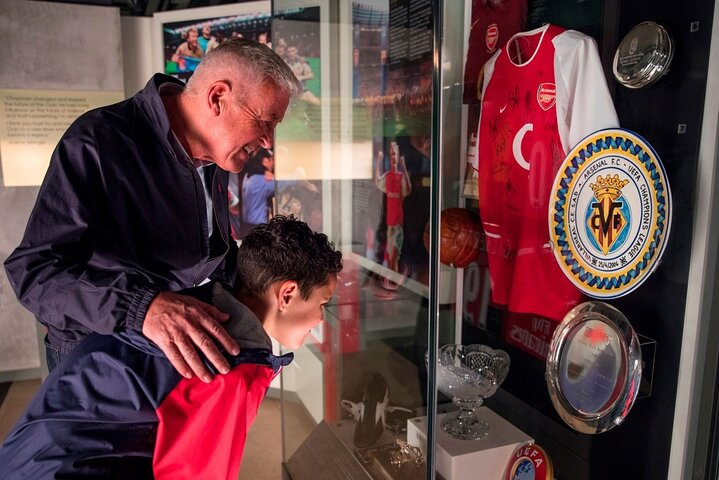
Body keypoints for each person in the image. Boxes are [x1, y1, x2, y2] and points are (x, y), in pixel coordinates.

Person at [3, 39, 301, 384]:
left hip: (161, 345)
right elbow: (34, 273)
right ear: (218, 97)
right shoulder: (98, 141)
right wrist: (143, 307)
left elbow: (209, 251)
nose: (268, 141)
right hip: (96, 354)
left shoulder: (216, 151)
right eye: (265, 121)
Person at [0, 215, 342, 479]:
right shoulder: (227, 364)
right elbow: (195, 473)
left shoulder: (184, 307)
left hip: (29, 458)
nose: (321, 318)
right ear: (287, 294)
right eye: (322, 303)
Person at [374, 140, 411, 276]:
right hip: (390, 223)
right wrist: (378, 161)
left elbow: (407, 190)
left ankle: (394, 273)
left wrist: (404, 167)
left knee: (396, 251)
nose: (394, 157)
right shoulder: (388, 176)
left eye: (395, 154)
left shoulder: (400, 177)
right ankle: (392, 274)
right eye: (392, 155)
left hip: (398, 222)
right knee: (390, 252)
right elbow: (378, 182)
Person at [239, 148, 275, 239]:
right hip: (258, 226)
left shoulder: (249, 176)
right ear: (266, 161)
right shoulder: (261, 179)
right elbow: (282, 184)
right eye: (272, 160)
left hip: (248, 225)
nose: (274, 163)